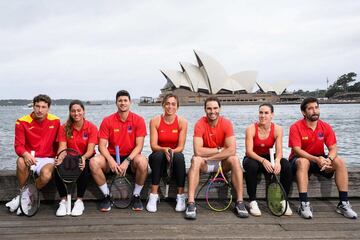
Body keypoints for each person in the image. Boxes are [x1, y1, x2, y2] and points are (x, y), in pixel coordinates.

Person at [289, 97, 357, 219]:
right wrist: (316, 159)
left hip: (320, 160)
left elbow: (333, 148)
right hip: (299, 160)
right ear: (304, 112)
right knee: (303, 162)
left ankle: (343, 203)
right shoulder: (296, 127)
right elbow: (297, 150)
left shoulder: (325, 126)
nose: (314, 111)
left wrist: (328, 160)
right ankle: (304, 204)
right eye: (310, 108)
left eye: (316, 107)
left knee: (339, 162)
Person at [185, 96, 249, 219]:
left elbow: (232, 150)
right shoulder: (200, 124)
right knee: (195, 159)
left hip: (221, 163)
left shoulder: (226, 123)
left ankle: (240, 202)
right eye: (209, 108)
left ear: (220, 108)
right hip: (206, 163)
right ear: (205, 110)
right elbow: (197, 151)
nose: (212, 111)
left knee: (235, 159)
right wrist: (219, 150)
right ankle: (191, 203)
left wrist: (213, 155)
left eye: (215, 108)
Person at [90, 90, 148, 212]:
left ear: (130, 102)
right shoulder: (107, 120)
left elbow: (139, 146)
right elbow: (101, 146)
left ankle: (136, 196)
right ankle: (107, 196)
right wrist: (111, 161)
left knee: (143, 162)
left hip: (131, 158)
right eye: (120, 101)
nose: (123, 103)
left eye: (125, 100)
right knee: (94, 162)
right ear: (116, 103)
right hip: (111, 156)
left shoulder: (138, 120)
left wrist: (127, 161)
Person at [5, 94, 60, 215]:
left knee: (46, 175)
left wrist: (59, 156)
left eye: (43, 107)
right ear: (33, 106)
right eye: (37, 106)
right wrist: (25, 154)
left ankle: (24, 197)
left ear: (48, 108)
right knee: (20, 161)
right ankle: (24, 198)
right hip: (31, 157)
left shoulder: (55, 121)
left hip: (48, 158)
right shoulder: (21, 121)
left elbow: (59, 143)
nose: (40, 110)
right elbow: (18, 146)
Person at [243, 103, 292, 216]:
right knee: (252, 166)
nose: (263, 115)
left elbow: (279, 151)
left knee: (286, 166)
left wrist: (277, 161)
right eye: (261, 112)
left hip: (269, 156)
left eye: (266, 113)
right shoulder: (251, 129)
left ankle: (283, 200)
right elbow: (249, 152)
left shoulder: (278, 129)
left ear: (272, 115)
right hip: (253, 157)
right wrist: (263, 161)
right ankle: (253, 201)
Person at [54, 100, 98, 216]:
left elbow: (90, 150)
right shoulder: (64, 127)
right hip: (69, 158)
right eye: (73, 111)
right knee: (57, 166)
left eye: (79, 110)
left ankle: (79, 201)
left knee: (82, 165)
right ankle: (63, 201)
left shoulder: (92, 127)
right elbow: (62, 148)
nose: (76, 113)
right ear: (70, 112)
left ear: (83, 111)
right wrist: (59, 158)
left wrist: (83, 158)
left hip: (85, 157)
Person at [146, 93, 188, 212]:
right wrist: (164, 149)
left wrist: (171, 152)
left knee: (179, 157)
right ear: (163, 105)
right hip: (159, 156)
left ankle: (180, 196)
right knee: (158, 155)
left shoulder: (182, 122)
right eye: (167, 104)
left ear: (177, 107)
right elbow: (153, 146)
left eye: (173, 104)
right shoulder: (155, 121)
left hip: (174, 157)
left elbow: (181, 147)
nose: (170, 107)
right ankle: (153, 195)